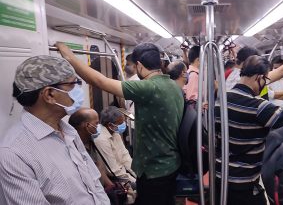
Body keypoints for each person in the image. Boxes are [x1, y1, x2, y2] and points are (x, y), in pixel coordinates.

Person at [56, 42, 184, 205]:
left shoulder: (148, 87)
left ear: (139, 65)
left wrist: (69, 56)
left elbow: (100, 82)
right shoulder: (174, 86)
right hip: (170, 163)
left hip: (154, 169)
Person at [0, 55, 109, 204]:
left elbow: (94, 184)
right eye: (73, 84)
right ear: (49, 94)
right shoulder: (14, 153)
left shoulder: (69, 131)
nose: (78, 90)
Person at [215, 55, 283, 205]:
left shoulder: (222, 98)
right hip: (244, 182)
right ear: (259, 78)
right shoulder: (259, 106)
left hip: (221, 176)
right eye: (266, 81)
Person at [68, 108, 114, 189]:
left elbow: (100, 170)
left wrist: (112, 187)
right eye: (96, 123)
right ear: (87, 125)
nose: (98, 126)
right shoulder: (72, 148)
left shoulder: (91, 142)